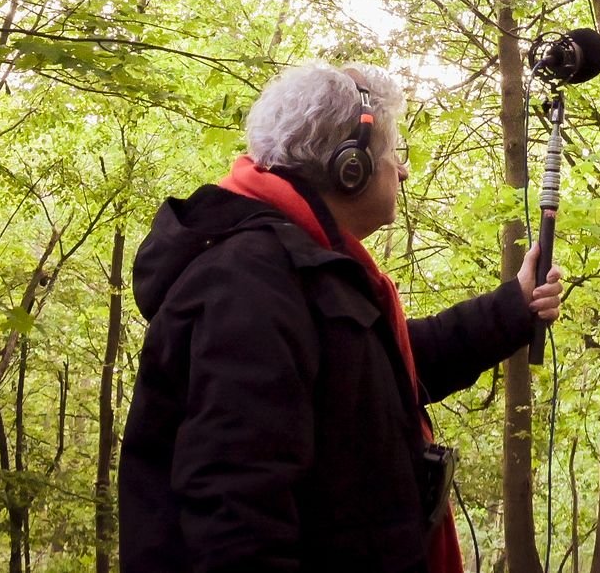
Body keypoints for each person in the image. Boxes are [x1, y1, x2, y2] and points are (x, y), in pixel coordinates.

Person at [120, 63, 564, 573]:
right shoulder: (247, 284)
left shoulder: (299, 268)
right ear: (348, 167)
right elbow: (236, 520)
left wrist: (514, 305)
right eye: (394, 155)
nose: (403, 171)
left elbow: (380, 371)